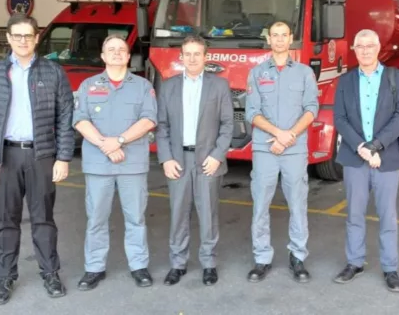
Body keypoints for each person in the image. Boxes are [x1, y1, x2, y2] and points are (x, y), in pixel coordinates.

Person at [0, 13, 75, 305]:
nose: (23, 40)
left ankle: (50, 273)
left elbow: (66, 117)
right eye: (17, 35)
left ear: (37, 37)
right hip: (4, 157)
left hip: (41, 155)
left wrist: (63, 157)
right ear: (8, 38)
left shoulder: (53, 73)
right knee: (6, 221)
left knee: (44, 219)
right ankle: (5, 278)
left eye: (28, 35)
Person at [72, 35, 158, 291]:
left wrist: (119, 141)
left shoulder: (142, 86)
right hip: (99, 164)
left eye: (122, 49)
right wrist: (105, 145)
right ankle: (94, 268)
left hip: (132, 164)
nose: (117, 53)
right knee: (96, 218)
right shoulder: (88, 85)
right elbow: (80, 120)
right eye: (111, 49)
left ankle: (139, 266)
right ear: (103, 55)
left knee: (136, 218)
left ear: (128, 56)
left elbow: (149, 120)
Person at [332, 29, 399, 293]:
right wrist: (361, 147)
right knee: (354, 214)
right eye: (360, 46)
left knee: (387, 216)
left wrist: (376, 146)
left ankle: (390, 268)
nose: (365, 50)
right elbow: (340, 119)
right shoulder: (345, 81)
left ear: (379, 48)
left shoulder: (397, 78)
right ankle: (354, 262)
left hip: (385, 157)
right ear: (354, 49)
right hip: (356, 159)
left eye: (370, 46)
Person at [244, 21, 319, 283]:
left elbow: (312, 109)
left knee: (297, 205)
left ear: (291, 39)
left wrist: (288, 138)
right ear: (269, 40)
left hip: (294, 150)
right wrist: (278, 135)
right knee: (260, 206)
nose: (278, 40)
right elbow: (252, 112)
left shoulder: (304, 73)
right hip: (265, 149)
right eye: (274, 35)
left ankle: (297, 257)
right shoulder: (256, 72)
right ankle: (261, 258)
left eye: (283, 35)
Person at [156, 35, 234, 286]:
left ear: (205, 57)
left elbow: (227, 125)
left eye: (196, 54)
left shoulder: (219, 86)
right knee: (178, 213)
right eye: (187, 54)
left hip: (207, 161)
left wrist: (217, 156)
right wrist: (166, 158)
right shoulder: (168, 87)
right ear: (181, 56)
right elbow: (162, 127)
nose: (191, 58)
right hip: (178, 160)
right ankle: (178, 263)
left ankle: (209, 263)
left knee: (208, 213)